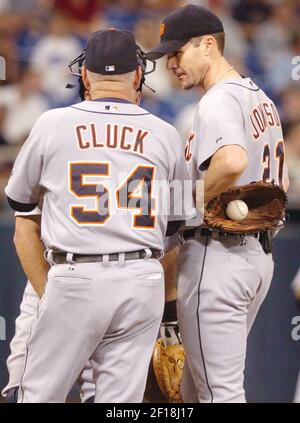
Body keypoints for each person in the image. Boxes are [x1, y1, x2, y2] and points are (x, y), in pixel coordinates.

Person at [5, 29, 196, 403]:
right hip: (142, 279)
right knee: (119, 404)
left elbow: (20, 206)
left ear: (86, 76)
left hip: (74, 274)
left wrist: (50, 296)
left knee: (39, 395)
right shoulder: (166, 133)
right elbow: (181, 224)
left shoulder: (52, 124)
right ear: (138, 76)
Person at [148, 4, 289, 403]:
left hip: (218, 256)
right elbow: (283, 183)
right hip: (254, 259)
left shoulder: (217, 100)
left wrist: (183, 202)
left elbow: (232, 161)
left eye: (178, 52)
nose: (171, 63)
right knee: (197, 389)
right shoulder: (258, 97)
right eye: (166, 55)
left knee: (219, 395)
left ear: (208, 45)